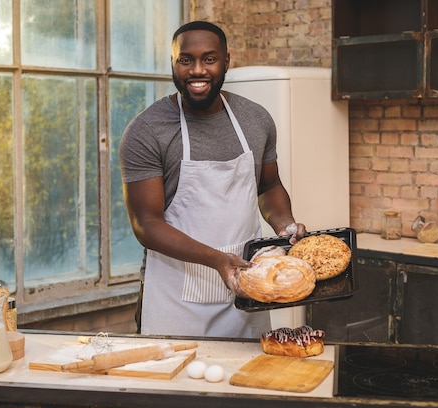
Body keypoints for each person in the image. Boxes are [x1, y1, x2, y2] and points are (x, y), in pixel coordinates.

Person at [119, 21, 306, 338]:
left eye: (209, 59)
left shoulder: (255, 119)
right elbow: (146, 224)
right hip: (176, 301)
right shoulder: (147, 131)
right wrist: (218, 260)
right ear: (174, 63)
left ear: (226, 61)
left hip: (246, 290)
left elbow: (269, 186)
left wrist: (284, 224)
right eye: (185, 60)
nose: (197, 71)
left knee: (247, 382)